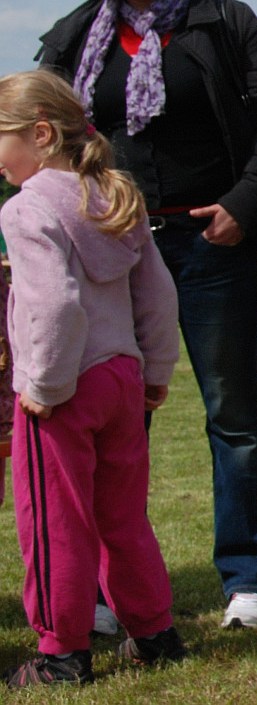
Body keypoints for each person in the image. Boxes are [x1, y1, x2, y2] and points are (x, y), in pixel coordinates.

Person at [38, 0, 257, 631]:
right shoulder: (73, 39)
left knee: (233, 414)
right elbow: (42, 136)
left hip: (210, 244)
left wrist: (243, 207)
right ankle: (98, 591)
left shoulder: (223, 21)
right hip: (109, 256)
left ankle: (251, 579)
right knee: (109, 419)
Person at [0, 71, 185, 687]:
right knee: (123, 516)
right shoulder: (113, 196)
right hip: (121, 380)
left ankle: (61, 655)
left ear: (41, 134)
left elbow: (56, 304)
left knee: (56, 521)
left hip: (63, 390)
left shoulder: (26, 209)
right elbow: (157, 293)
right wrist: (154, 368)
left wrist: (43, 388)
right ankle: (155, 633)